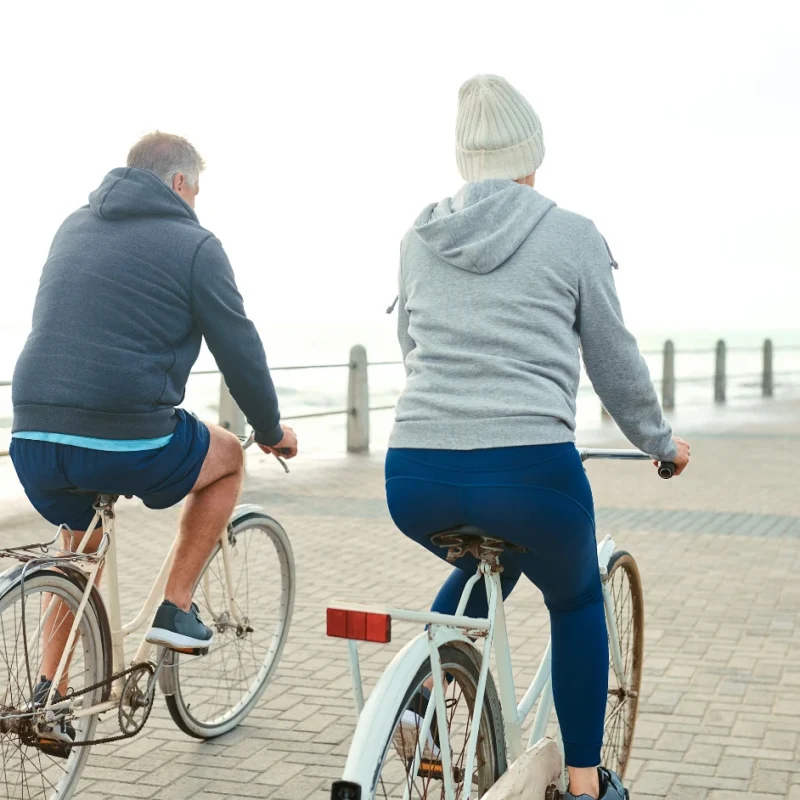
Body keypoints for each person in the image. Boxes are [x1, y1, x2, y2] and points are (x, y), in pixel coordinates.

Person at [385, 75, 690, 800]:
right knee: (577, 596)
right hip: (531, 473)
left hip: (414, 474)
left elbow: (411, 347)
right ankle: (585, 784)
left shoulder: (417, 236)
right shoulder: (572, 233)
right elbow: (614, 362)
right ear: (533, 157)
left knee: (490, 552)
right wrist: (660, 444)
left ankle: (424, 697)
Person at [11, 132, 297, 750]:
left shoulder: (72, 226)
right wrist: (271, 432)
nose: (199, 203)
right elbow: (239, 351)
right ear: (178, 183)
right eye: (197, 189)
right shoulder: (196, 245)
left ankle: (48, 695)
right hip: (122, 439)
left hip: (30, 437)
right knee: (224, 462)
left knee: (76, 550)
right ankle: (177, 606)